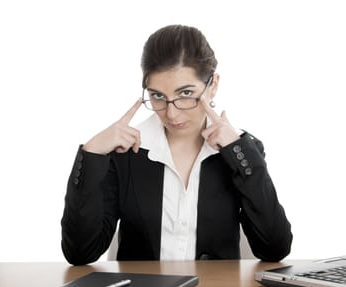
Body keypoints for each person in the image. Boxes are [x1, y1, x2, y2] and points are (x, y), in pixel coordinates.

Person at [61, 24, 292, 265]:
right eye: (158, 96)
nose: (171, 114)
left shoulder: (240, 151)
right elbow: (80, 253)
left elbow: (274, 248)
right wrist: (91, 154)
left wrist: (239, 151)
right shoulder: (124, 151)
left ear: (212, 85)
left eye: (185, 93)